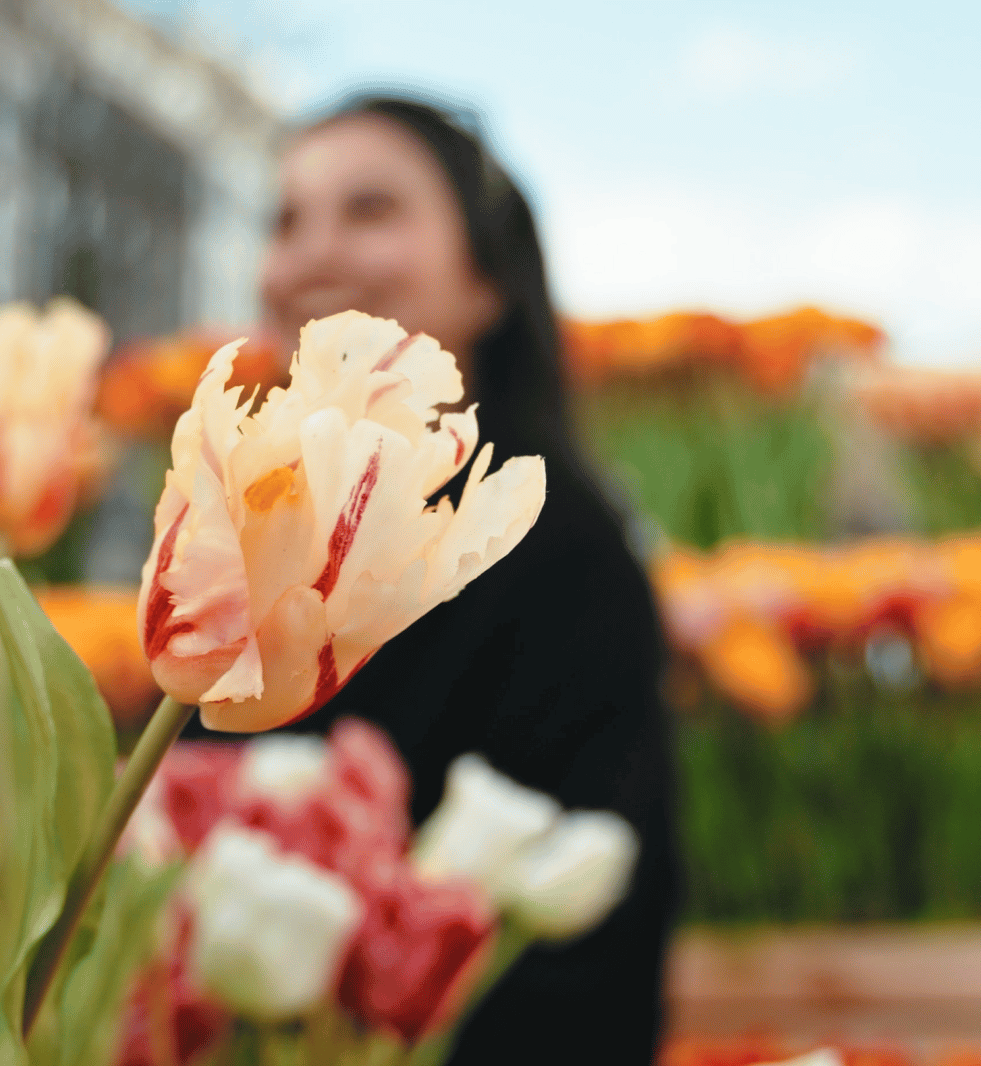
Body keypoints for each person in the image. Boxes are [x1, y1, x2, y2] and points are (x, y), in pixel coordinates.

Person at [194, 93, 682, 1062]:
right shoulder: (239, 538)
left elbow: (595, 950)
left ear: (489, 282)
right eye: (286, 220)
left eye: (370, 210)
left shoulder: (564, 560)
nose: (311, 256)